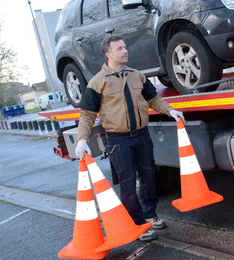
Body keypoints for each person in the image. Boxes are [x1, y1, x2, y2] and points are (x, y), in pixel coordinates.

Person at [75, 35, 184, 242]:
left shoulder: (137, 76)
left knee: (149, 177)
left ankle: (150, 215)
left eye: (125, 47)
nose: (125, 51)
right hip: (118, 140)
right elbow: (87, 114)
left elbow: (154, 99)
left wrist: (170, 111)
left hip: (142, 136)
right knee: (127, 184)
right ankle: (138, 224)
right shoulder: (97, 82)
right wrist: (82, 139)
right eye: (120, 49)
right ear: (108, 54)